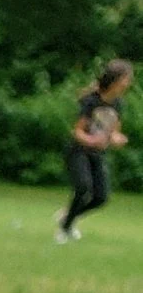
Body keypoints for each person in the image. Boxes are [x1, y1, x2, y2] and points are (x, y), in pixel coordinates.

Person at [56, 60, 132, 240]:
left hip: (98, 154)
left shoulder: (118, 104)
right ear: (115, 80)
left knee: (101, 197)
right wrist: (91, 140)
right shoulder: (91, 101)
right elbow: (77, 131)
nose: (128, 83)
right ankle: (64, 230)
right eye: (126, 79)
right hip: (79, 151)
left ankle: (68, 216)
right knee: (83, 188)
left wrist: (116, 138)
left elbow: (114, 131)